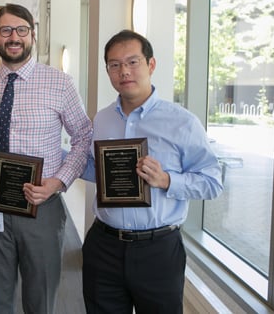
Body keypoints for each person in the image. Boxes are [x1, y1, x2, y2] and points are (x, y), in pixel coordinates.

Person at [81, 30, 224, 313]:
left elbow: (212, 182)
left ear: (151, 65)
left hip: (158, 250)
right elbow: (94, 169)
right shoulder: (103, 119)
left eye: (133, 62)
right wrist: (51, 156)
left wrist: (167, 180)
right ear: (108, 70)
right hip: (104, 245)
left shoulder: (182, 122)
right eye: (114, 64)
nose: (124, 71)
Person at [0, 3, 92, 314]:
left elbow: (83, 137)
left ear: (32, 35)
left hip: (41, 207)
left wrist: (59, 182)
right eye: (5, 30)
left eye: (21, 30)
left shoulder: (59, 83)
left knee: (41, 296)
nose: (14, 37)